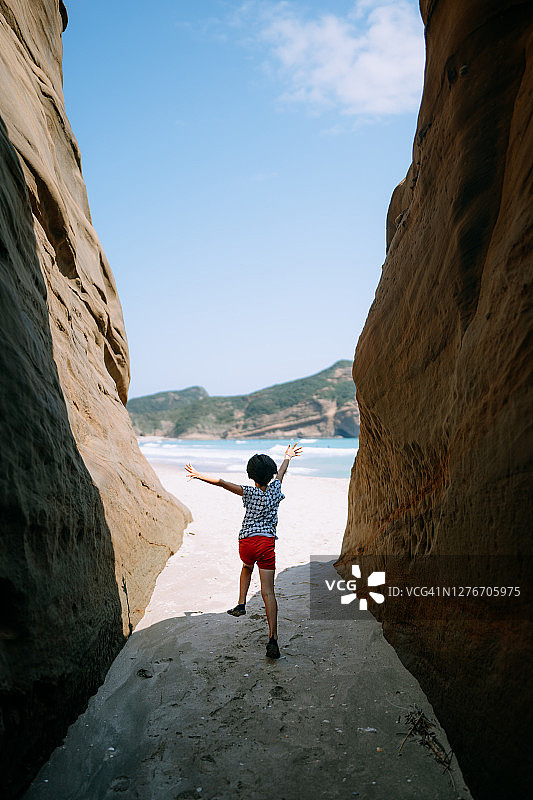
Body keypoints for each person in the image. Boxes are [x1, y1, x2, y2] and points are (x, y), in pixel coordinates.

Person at [185, 443, 302, 659]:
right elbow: (282, 472)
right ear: (271, 474)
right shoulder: (276, 489)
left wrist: (198, 475)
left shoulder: (247, 492)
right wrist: (288, 456)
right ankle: (273, 639)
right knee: (268, 592)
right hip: (267, 544)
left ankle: (241, 603)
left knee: (247, 567)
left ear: (251, 476)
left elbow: (221, 483)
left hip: (247, 543)